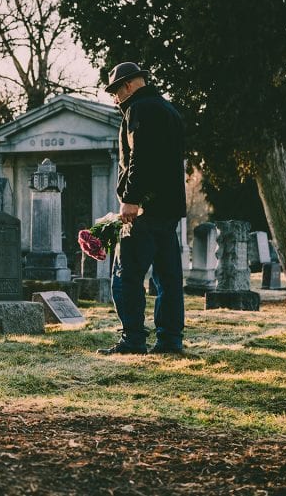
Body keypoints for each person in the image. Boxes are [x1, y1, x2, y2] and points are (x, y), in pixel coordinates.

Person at [97, 62, 187, 355]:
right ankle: (170, 340)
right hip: (169, 208)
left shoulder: (139, 110)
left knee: (125, 276)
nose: (115, 99)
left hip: (143, 209)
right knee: (168, 278)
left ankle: (133, 339)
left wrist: (131, 199)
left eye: (115, 91)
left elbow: (140, 157)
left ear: (128, 85)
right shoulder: (169, 111)